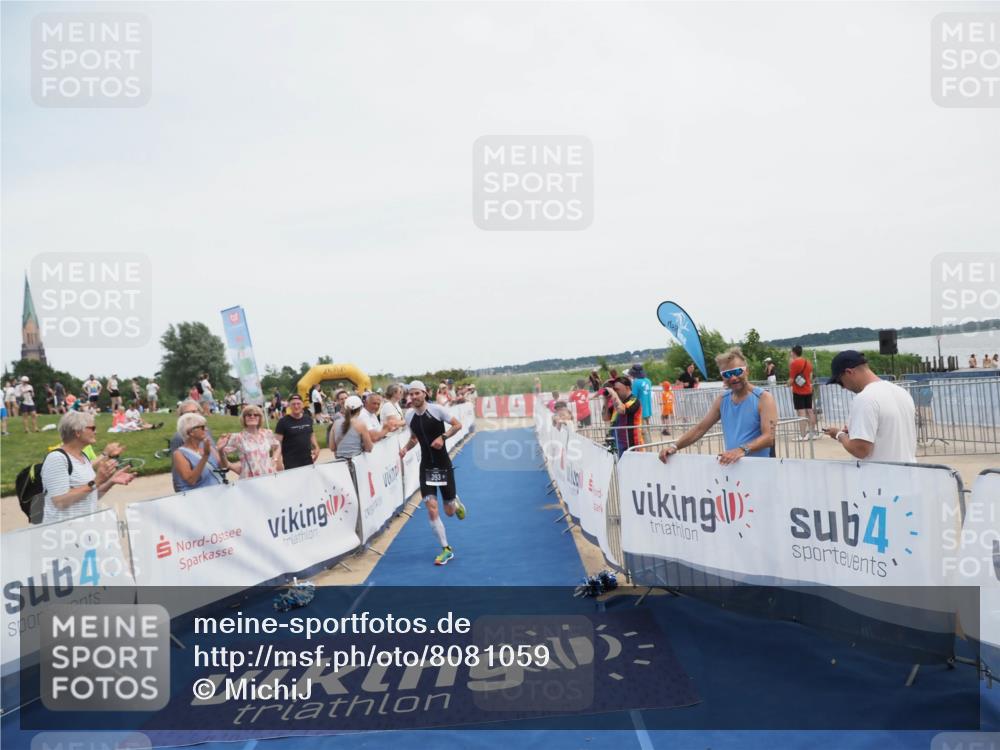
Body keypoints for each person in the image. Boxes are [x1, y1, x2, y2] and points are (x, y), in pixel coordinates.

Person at [659, 348, 777, 465]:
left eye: (737, 371)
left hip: (760, 469)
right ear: (722, 377)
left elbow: (769, 437)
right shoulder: (722, 400)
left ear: (746, 371)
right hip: (733, 467)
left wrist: (741, 450)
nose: (733, 378)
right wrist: (674, 447)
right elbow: (700, 428)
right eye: (727, 374)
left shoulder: (764, 398)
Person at [399, 380, 466, 566]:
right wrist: (406, 448)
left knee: (450, 511)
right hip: (426, 466)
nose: (413, 397)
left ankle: (456, 502)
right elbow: (414, 438)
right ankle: (446, 549)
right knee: (431, 507)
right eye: (410, 394)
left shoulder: (437, 410)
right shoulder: (409, 416)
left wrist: (442, 437)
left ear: (424, 393)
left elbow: (458, 425)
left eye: (416, 394)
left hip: (443, 464)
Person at [40, 412, 135, 524]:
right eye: (92, 428)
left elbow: (89, 496)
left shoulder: (83, 457)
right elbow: (60, 501)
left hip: (85, 530)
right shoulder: (57, 458)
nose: (95, 432)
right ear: (78, 432)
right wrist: (97, 481)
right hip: (64, 533)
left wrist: (110, 482)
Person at [822, 350, 916, 463]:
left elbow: (860, 449)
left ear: (849, 372)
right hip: (908, 472)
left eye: (840, 382)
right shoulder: (901, 391)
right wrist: (854, 431)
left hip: (880, 476)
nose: (843, 387)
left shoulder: (865, 399)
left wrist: (839, 435)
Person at [217, 404, 282, 479]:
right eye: (248, 415)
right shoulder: (238, 437)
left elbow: (278, 446)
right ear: (244, 418)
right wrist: (230, 465)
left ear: (260, 418)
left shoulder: (267, 433)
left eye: (256, 414)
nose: (252, 416)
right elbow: (222, 461)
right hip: (249, 480)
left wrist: (274, 459)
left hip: (268, 477)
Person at [169, 399, 219, 492]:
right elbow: (178, 471)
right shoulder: (178, 438)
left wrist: (221, 450)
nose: (193, 415)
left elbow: (217, 462)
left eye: (195, 411)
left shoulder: (206, 432)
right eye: (188, 413)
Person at [173, 412, 230, 490]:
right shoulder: (179, 454)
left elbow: (224, 468)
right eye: (202, 427)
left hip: (216, 494)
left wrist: (220, 451)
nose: (206, 429)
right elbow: (191, 480)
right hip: (199, 498)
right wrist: (205, 456)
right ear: (191, 432)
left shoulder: (208, 447)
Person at [275, 393, 319, 469]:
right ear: (289, 406)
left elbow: (311, 434)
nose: (296, 406)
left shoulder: (308, 419)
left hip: (308, 460)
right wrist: (278, 462)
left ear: (302, 405)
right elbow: (277, 443)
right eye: (293, 404)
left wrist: (316, 447)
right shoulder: (283, 422)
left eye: (298, 404)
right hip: (291, 463)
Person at [604, 376, 643, 455]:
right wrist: (606, 400)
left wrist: (613, 394)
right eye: (614, 389)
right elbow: (605, 418)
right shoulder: (617, 403)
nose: (615, 391)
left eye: (617, 389)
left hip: (631, 445)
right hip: (617, 444)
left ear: (627, 388)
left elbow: (622, 410)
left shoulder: (633, 399)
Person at [788, 345, 818, 439]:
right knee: (810, 411)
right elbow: (810, 376)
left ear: (793, 352)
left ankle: (802, 434)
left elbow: (791, 379)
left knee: (801, 413)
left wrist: (787, 384)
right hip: (808, 389)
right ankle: (812, 433)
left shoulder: (794, 363)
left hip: (798, 391)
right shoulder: (807, 362)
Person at [629, 364, 653, 437]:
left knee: (643, 432)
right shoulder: (648, 381)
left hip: (640, 409)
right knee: (648, 430)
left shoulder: (636, 382)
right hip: (648, 408)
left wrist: (626, 405)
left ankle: (647, 446)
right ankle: (650, 445)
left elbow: (633, 397)